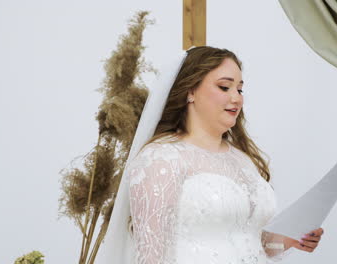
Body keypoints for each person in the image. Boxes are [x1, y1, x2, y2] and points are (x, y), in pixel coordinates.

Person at [124, 46, 323, 264]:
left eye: (239, 90)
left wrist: (290, 239)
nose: (236, 98)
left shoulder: (243, 159)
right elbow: (150, 255)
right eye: (224, 87)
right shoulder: (161, 159)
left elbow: (250, 241)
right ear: (190, 91)